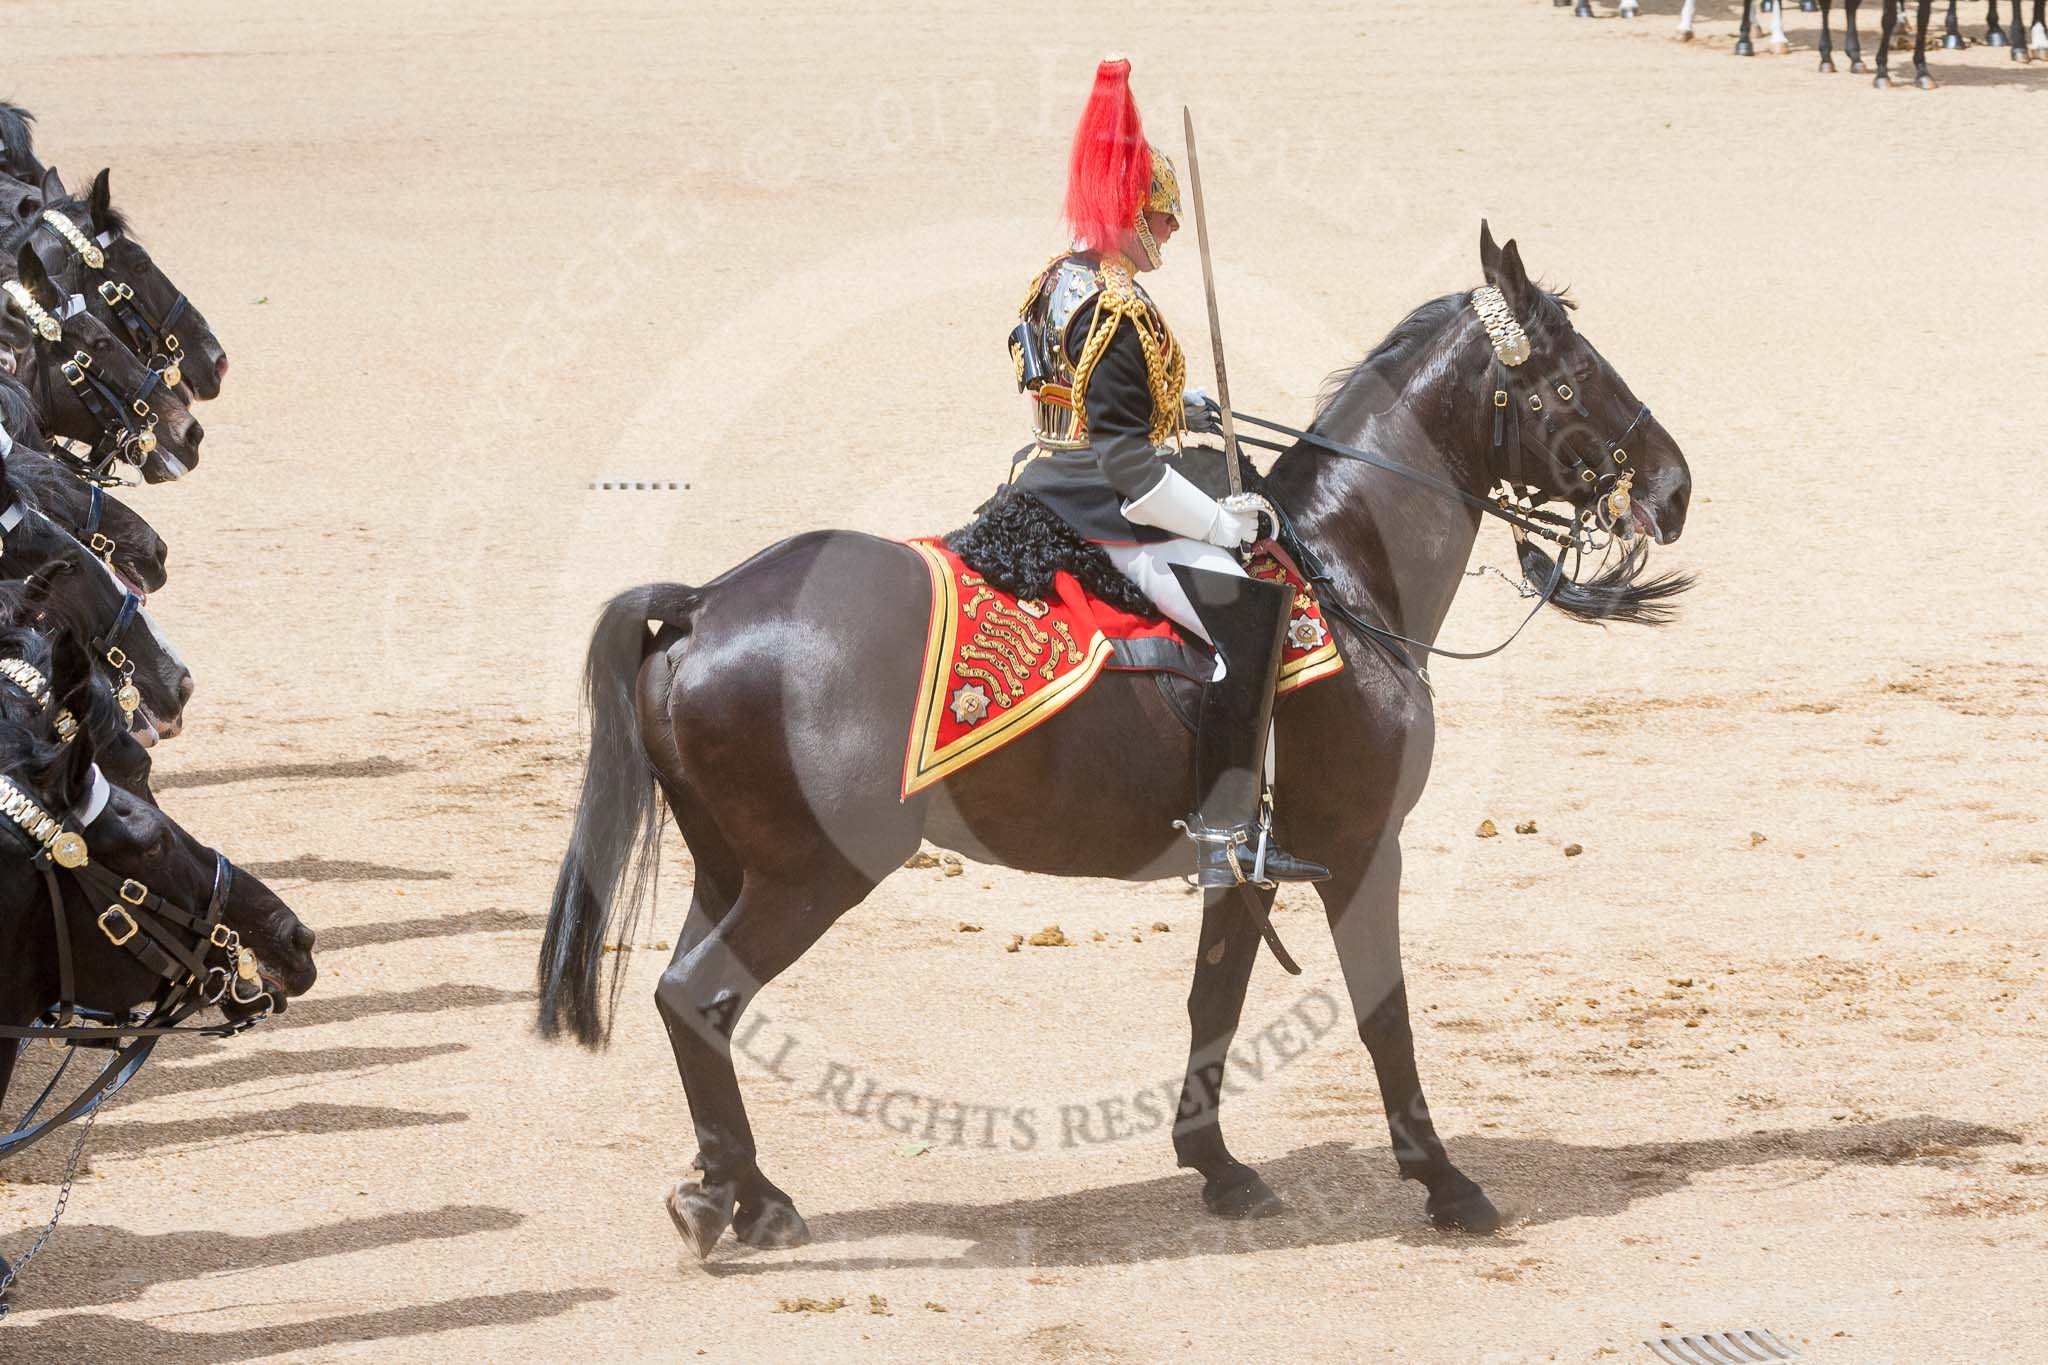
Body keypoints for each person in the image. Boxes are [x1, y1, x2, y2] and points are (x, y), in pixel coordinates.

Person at [1006, 57, 1327, 889]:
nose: (1173, 230)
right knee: (1250, 616)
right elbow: (1133, 471)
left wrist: (1180, 404)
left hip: (1045, 482)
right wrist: (1225, 525)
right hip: (1106, 513)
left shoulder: (1059, 279)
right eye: (1162, 215)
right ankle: (1224, 833)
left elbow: (1085, 396)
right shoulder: (1119, 307)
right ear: (1129, 212)